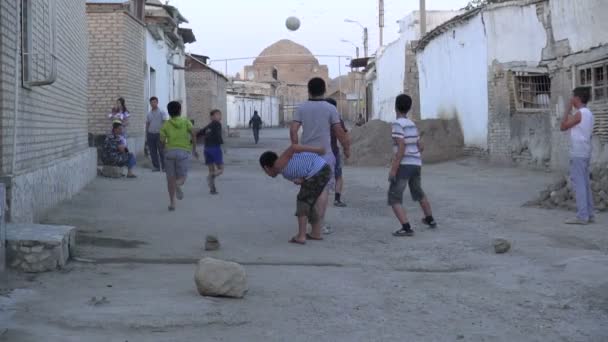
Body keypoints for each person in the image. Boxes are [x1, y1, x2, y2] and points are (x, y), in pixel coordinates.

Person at [290, 78, 350, 235]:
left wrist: (296, 147)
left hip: (306, 154)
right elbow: (339, 131)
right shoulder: (330, 108)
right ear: (324, 90)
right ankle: (319, 226)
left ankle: (307, 226)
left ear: (308, 90)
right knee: (323, 190)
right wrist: (347, 148)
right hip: (325, 155)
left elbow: (293, 129)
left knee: (308, 189)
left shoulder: (301, 108)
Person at [259, 144, 330, 244]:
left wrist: (318, 149)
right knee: (310, 202)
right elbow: (302, 168)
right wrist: (301, 180)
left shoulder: (279, 164)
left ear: (266, 168)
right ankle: (316, 233)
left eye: (265, 172)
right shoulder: (284, 171)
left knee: (302, 202)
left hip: (318, 171)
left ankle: (301, 236)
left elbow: (293, 148)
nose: (267, 174)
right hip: (320, 170)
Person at [388, 94, 437, 237]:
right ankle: (430, 219)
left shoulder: (397, 124)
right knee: (418, 192)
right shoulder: (412, 124)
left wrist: (393, 169)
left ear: (396, 107)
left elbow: (401, 146)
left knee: (394, 197)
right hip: (416, 163)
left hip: (404, 164)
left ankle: (406, 227)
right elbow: (420, 146)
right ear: (409, 108)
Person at [560, 87, 595, 225]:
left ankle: (582, 216)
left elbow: (562, 126)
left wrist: (567, 108)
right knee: (585, 184)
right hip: (585, 152)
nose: (571, 99)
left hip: (578, 153)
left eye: (573, 97)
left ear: (578, 98)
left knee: (579, 184)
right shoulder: (589, 114)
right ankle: (589, 214)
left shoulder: (580, 113)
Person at [160, 101, 199, 211]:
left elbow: (162, 140)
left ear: (168, 112)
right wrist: (194, 149)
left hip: (169, 152)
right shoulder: (186, 121)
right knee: (182, 178)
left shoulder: (166, 124)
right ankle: (177, 184)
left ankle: (172, 203)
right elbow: (193, 134)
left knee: (169, 179)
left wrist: (164, 150)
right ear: (180, 110)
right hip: (183, 152)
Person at [325, 98, 349, 207]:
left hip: (319, 153)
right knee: (338, 176)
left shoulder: (318, 120)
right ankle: (337, 199)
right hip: (333, 152)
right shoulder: (338, 120)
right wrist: (346, 149)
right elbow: (343, 136)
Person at [200, 110, 224, 195]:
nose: (220, 116)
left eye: (220, 115)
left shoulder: (208, 126)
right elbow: (218, 135)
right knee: (221, 169)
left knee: (211, 169)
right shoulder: (217, 124)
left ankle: (212, 189)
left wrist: (191, 141)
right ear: (212, 117)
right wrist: (222, 144)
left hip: (206, 149)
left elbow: (200, 133)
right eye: (217, 115)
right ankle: (210, 176)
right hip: (215, 148)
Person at [146, 96, 169, 172]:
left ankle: (164, 167)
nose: (153, 103)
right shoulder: (149, 113)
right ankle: (156, 166)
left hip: (159, 134)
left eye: (154, 102)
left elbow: (165, 123)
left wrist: (164, 134)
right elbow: (147, 124)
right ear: (150, 103)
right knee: (152, 152)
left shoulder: (162, 112)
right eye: (151, 102)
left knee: (161, 151)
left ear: (157, 102)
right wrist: (146, 134)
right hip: (151, 134)